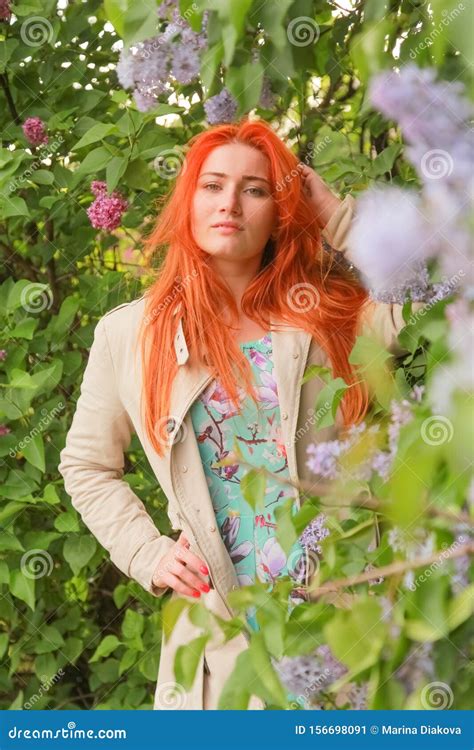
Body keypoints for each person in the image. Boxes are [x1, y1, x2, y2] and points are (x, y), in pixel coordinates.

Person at [58, 118, 413, 710]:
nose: (231, 203)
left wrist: (334, 214)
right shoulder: (131, 333)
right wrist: (147, 553)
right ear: (188, 201)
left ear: (280, 210)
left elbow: (433, 304)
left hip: (341, 626)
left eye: (255, 189)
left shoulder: (331, 317)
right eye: (212, 185)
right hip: (218, 638)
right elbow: (87, 465)